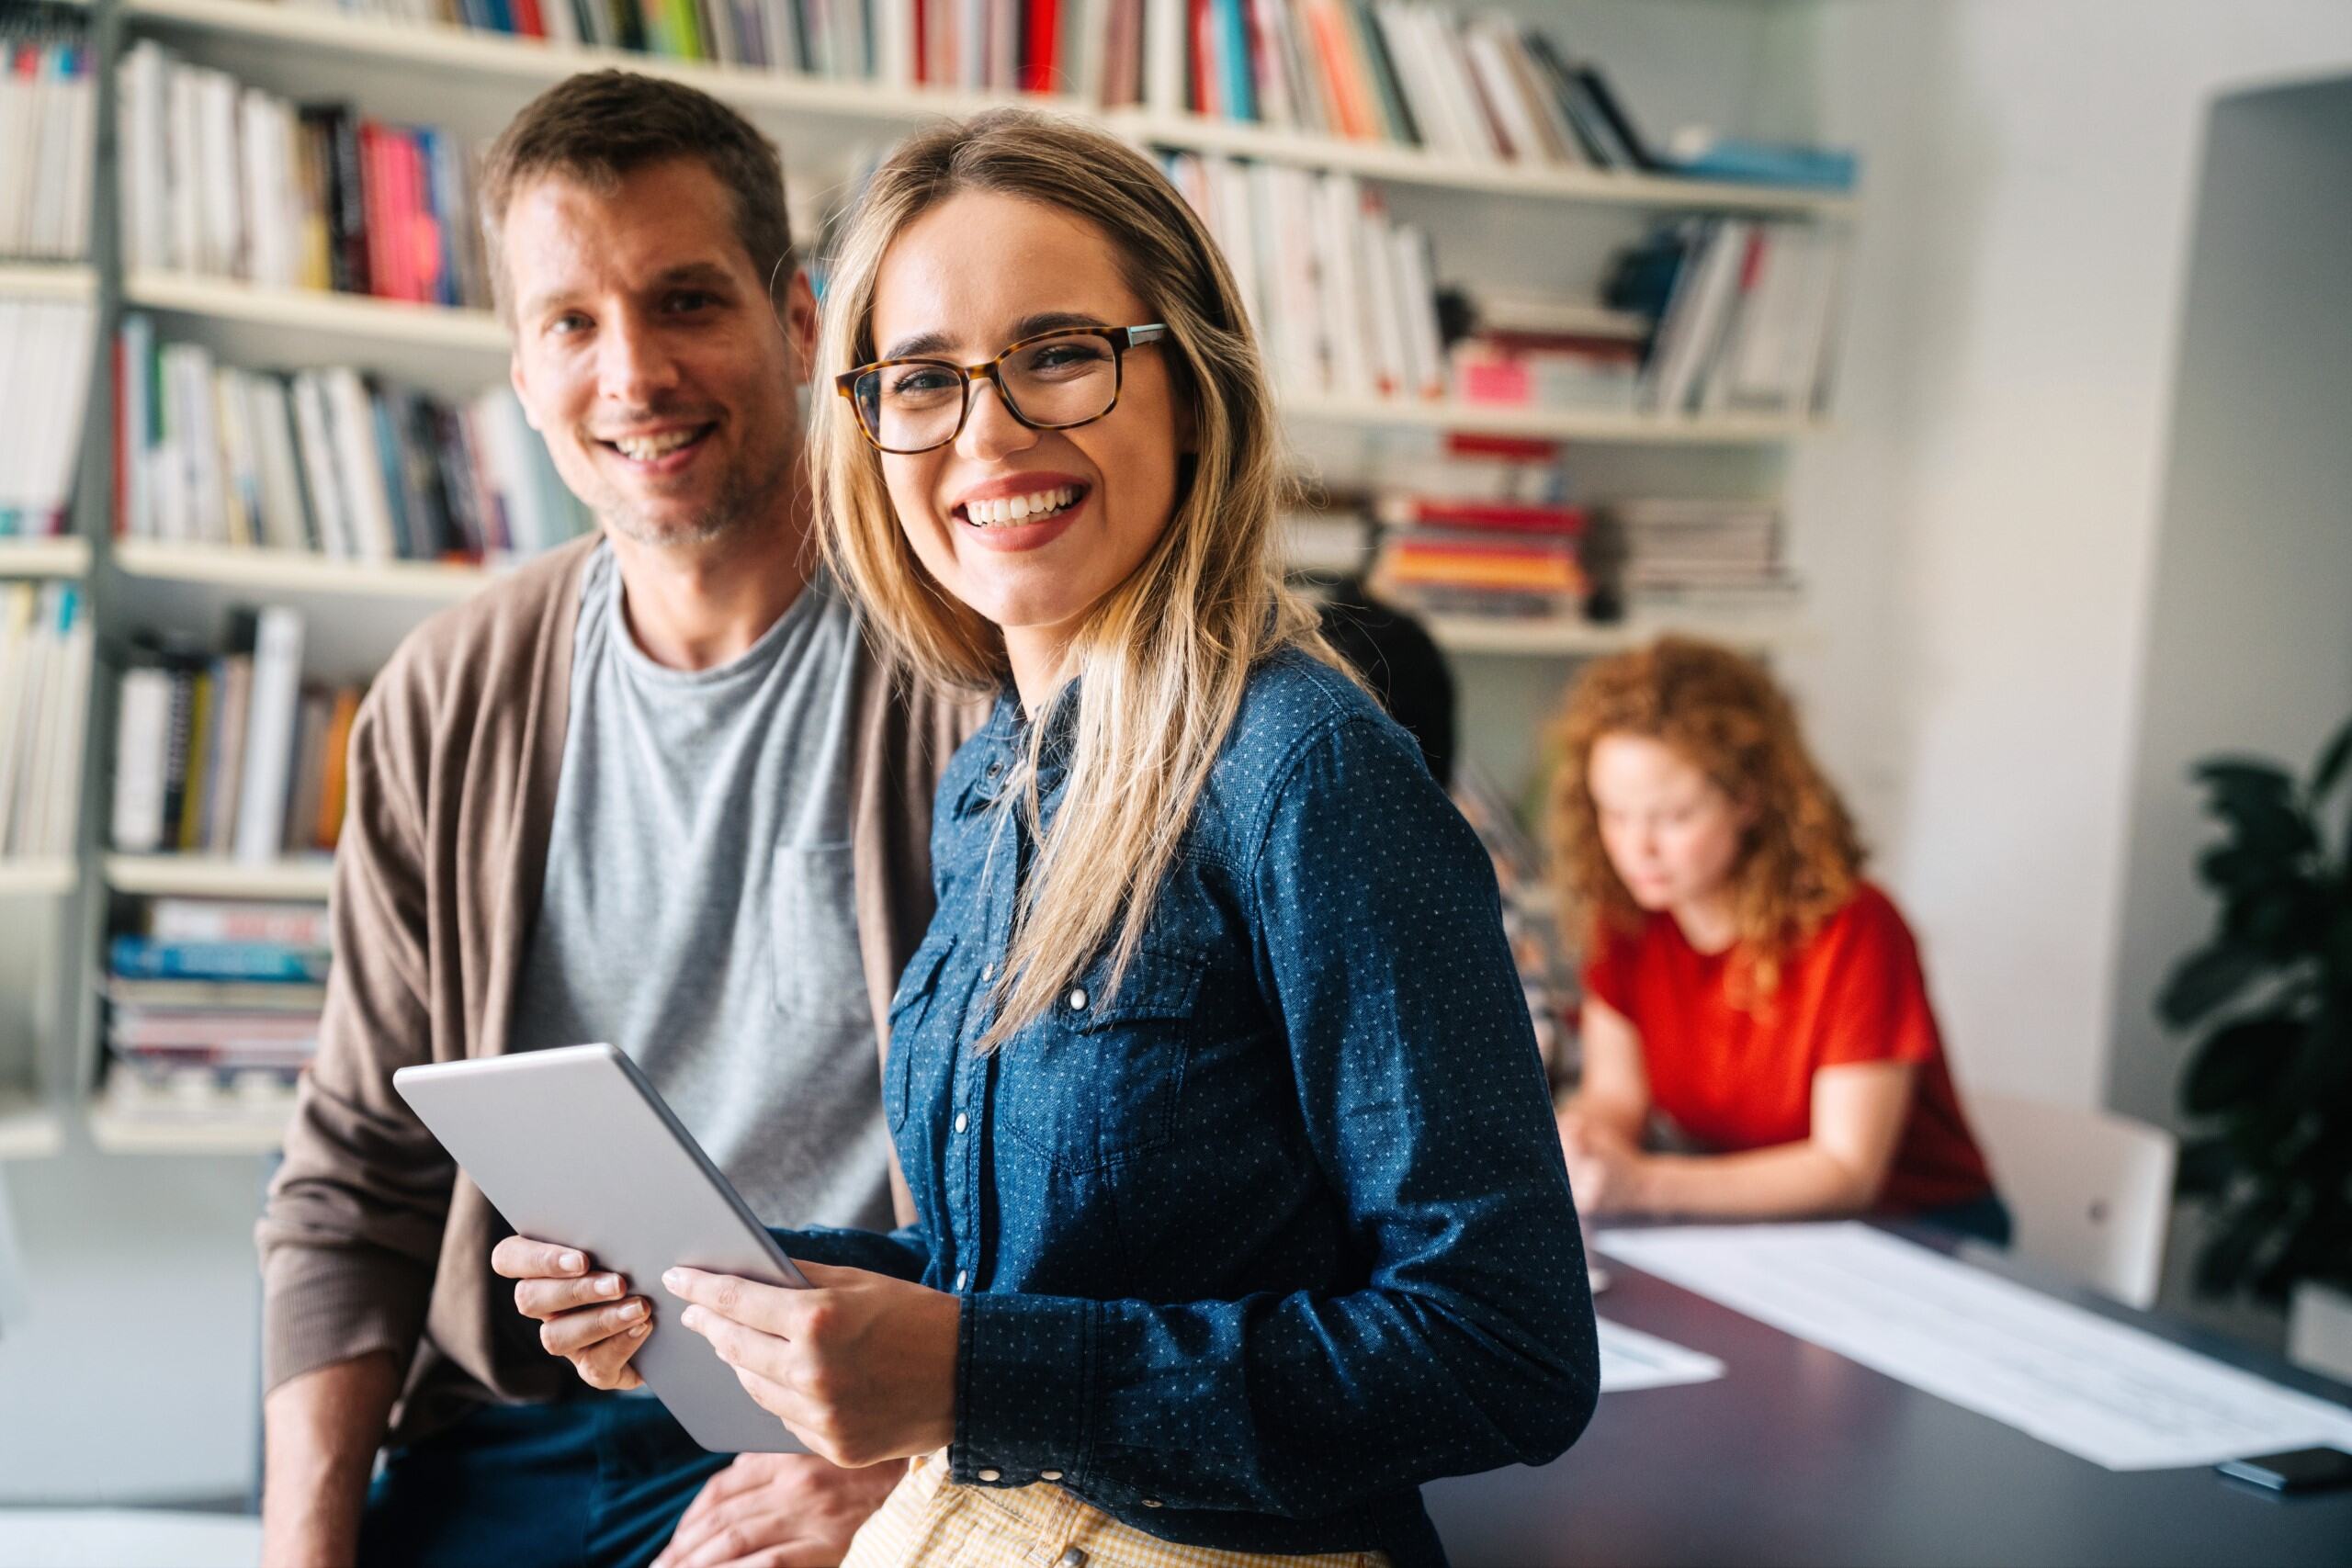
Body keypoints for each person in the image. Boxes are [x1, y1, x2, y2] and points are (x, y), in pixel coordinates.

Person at [501, 108, 1600, 1567]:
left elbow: (1502, 1346)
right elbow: (1019, 1277)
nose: (989, 431)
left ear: (1191, 387)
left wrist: (966, 1371)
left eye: (1060, 354)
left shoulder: (1306, 770)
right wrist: (733, 1289)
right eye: (924, 380)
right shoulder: (992, 781)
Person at [254, 72, 978, 1568]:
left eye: (686, 301)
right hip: (516, 1419)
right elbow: (356, 1176)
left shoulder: (971, 662)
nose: (632, 373)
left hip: (855, 1424)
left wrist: (925, 1461)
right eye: (571, 322)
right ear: (521, 368)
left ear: (797, 321)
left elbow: (1123, 1182)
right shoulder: (449, 695)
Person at [1544, 637, 2009, 1243]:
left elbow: (1846, 1170)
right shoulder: (1630, 920)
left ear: (1748, 798)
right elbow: (1615, 1098)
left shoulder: (1856, 929)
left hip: (1916, 1235)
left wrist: (1643, 1184)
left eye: (1673, 816)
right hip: (1754, 1235)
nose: (1638, 847)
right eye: (1614, 813)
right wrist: (1585, 1143)